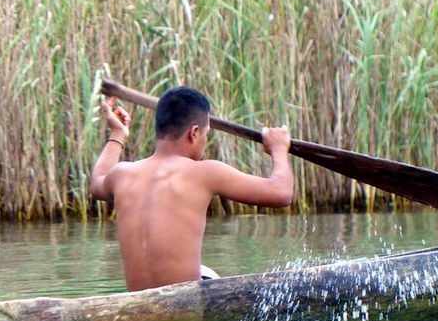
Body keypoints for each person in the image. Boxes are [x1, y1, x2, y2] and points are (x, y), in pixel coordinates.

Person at [90, 86, 294, 292]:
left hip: (138, 311)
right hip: (185, 311)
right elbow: (282, 192)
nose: (205, 141)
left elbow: (97, 181)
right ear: (194, 132)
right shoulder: (205, 173)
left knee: (205, 271)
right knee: (210, 275)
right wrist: (278, 149)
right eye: (206, 134)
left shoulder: (122, 174)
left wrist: (118, 133)